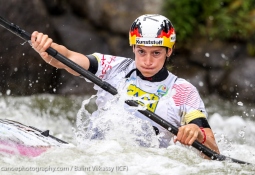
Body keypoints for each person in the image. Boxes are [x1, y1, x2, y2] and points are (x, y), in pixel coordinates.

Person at [31, 14, 220, 157]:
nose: (147, 61)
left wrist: (197, 134)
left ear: (169, 51)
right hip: (95, 156)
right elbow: (69, 58)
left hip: (147, 164)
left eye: (156, 53)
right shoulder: (113, 67)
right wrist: (48, 49)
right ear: (133, 48)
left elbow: (212, 149)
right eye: (141, 51)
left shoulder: (183, 91)